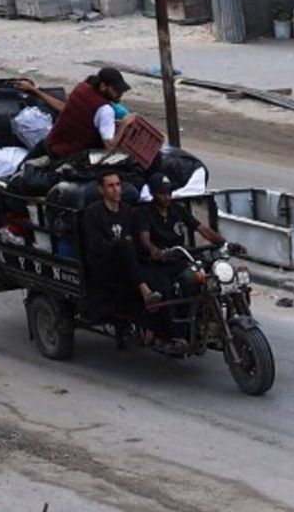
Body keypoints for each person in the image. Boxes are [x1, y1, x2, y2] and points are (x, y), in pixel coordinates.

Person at [137, 174, 231, 349]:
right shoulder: (145, 213)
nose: (167, 197)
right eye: (162, 193)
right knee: (166, 292)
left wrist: (224, 242)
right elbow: (144, 238)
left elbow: (201, 228)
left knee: (200, 280)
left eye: (169, 192)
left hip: (179, 261)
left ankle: (202, 322)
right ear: (153, 193)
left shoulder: (177, 210)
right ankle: (170, 334)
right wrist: (155, 251)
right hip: (159, 264)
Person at [79, 170, 155, 323]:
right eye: (110, 186)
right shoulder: (93, 213)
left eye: (118, 185)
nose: (116, 189)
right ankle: (145, 291)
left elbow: (135, 239)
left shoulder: (127, 210)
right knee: (124, 245)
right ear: (101, 190)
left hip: (126, 263)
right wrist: (120, 244)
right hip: (103, 265)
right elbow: (97, 247)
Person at [18, 68, 138, 161]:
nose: (120, 94)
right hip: (66, 157)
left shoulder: (81, 88)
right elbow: (110, 146)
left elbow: (63, 108)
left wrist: (34, 91)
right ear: (103, 86)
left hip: (48, 145)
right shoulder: (105, 110)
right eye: (116, 90)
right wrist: (124, 124)